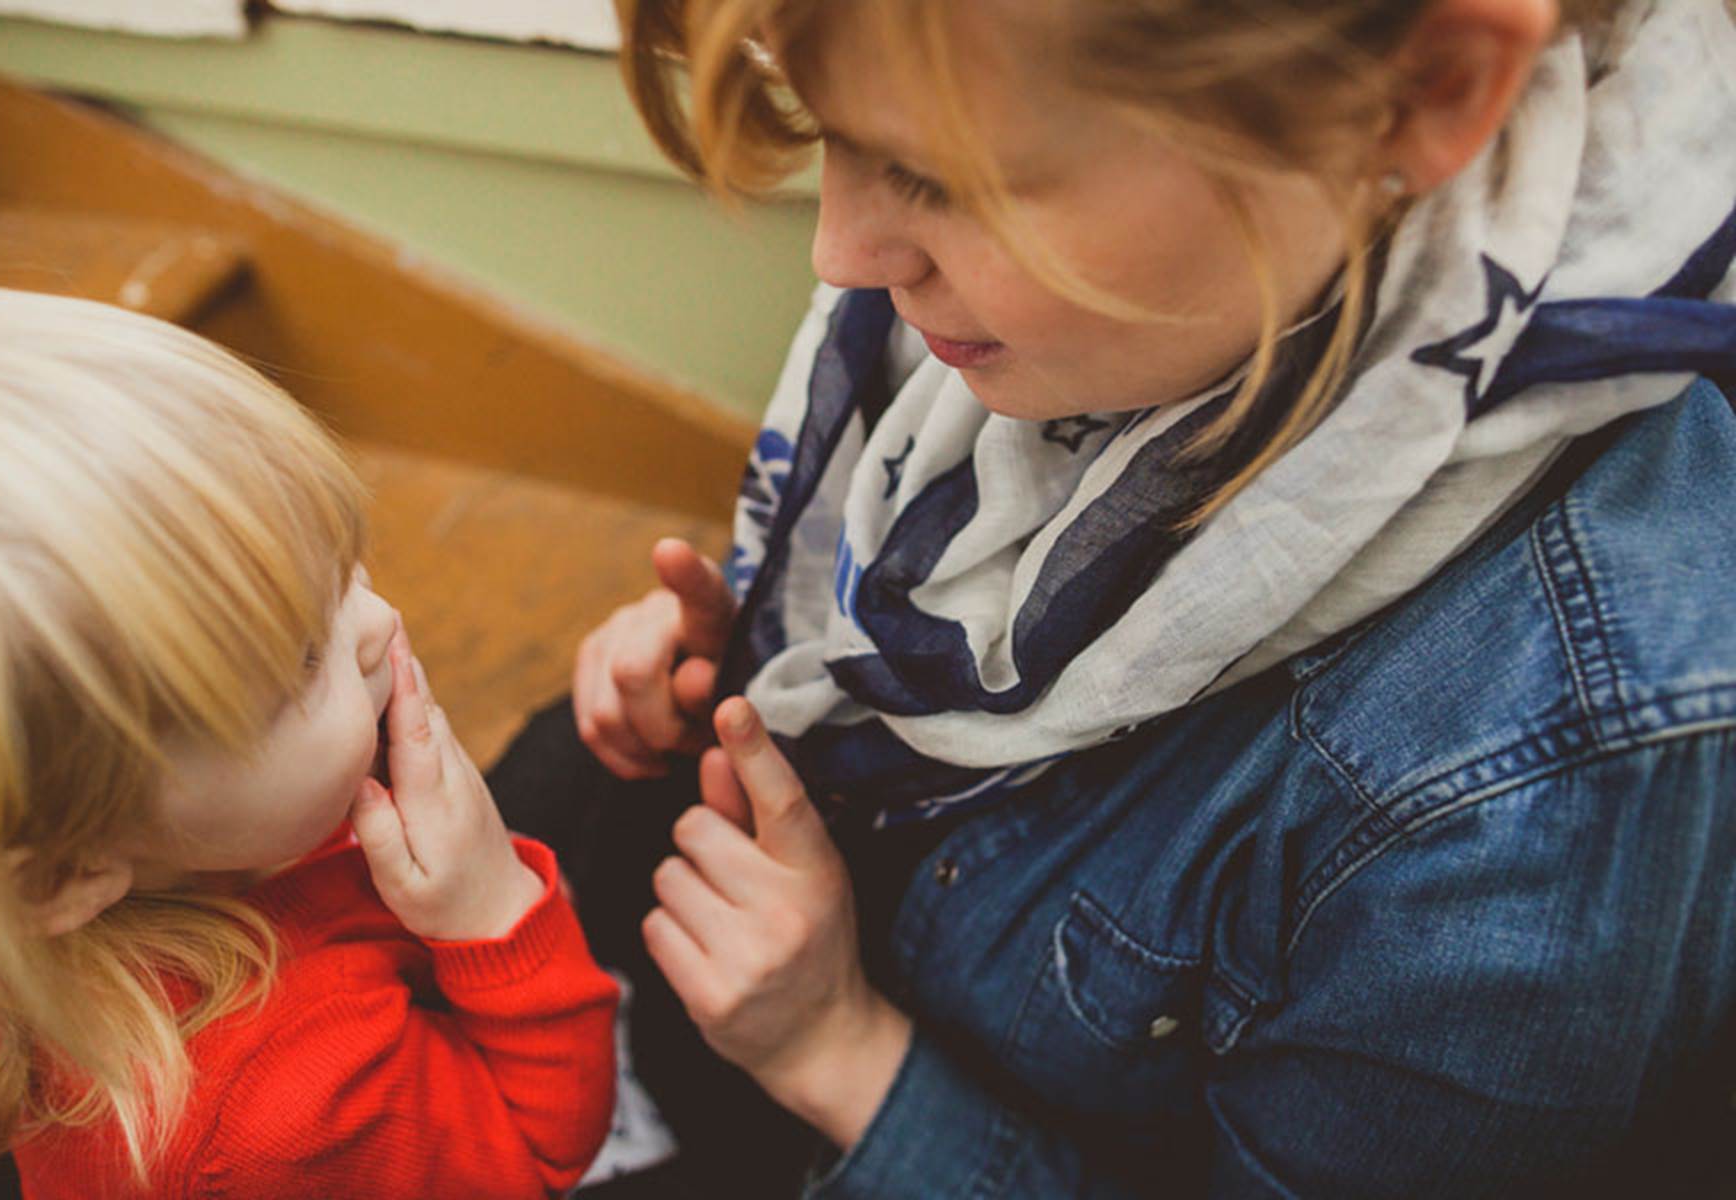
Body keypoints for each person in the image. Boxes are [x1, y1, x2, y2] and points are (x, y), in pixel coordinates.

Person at [489, 0, 1736, 1195]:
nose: (842, 253)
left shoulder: (1534, 786)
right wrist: (767, 648)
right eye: (830, 132)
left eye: (944, 175)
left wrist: (842, 1057)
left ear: (1425, 91)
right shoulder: (1174, 282)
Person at [0, 281, 618, 1199]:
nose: (380, 621)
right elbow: (535, 1157)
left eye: (342, 568)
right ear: (60, 875)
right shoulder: (283, 1109)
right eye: (303, 660)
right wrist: (491, 910)